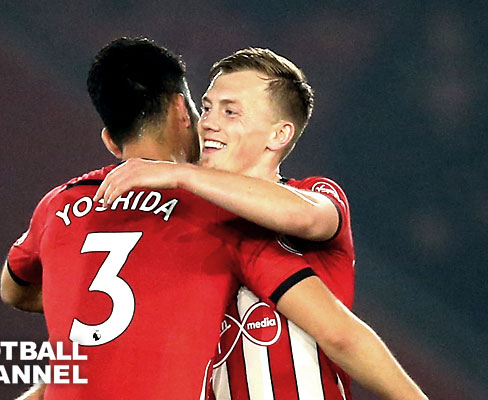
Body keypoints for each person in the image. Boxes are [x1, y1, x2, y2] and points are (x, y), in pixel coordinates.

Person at [95, 48, 428, 400]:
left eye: (230, 112)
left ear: (279, 135)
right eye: (206, 108)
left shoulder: (315, 193)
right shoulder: (185, 221)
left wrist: (182, 174)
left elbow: (305, 217)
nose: (207, 123)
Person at [0, 37, 314, 400]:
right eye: (202, 109)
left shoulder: (59, 204)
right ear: (182, 110)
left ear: (111, 142)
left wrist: (79, 298)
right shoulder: (217, 208)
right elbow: (305, 221)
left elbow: (12, 290)